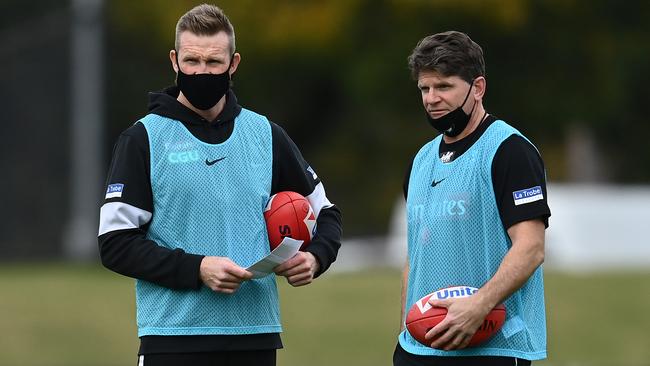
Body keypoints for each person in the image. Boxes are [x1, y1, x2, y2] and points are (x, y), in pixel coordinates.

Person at [97, 4, 342, 366]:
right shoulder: (142, 139)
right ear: (174, 61)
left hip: (256, 335)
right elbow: (115, 243)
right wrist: (197, 268)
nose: (201, 71)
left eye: (213, 62)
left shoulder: (265, 134)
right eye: (191, 60)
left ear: (234, 63)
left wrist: (315, 257)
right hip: (173, 339)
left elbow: (326, 214)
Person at [394, 31, 551, 366]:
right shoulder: (420, 161)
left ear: (477, 88)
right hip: (418, 349)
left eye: (444, 86)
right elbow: (415, 258)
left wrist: (479, 306)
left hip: (492, 348)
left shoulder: (510, 151)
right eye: (425, 88)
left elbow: (531, 247)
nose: (431, 98)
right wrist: (408, 329)